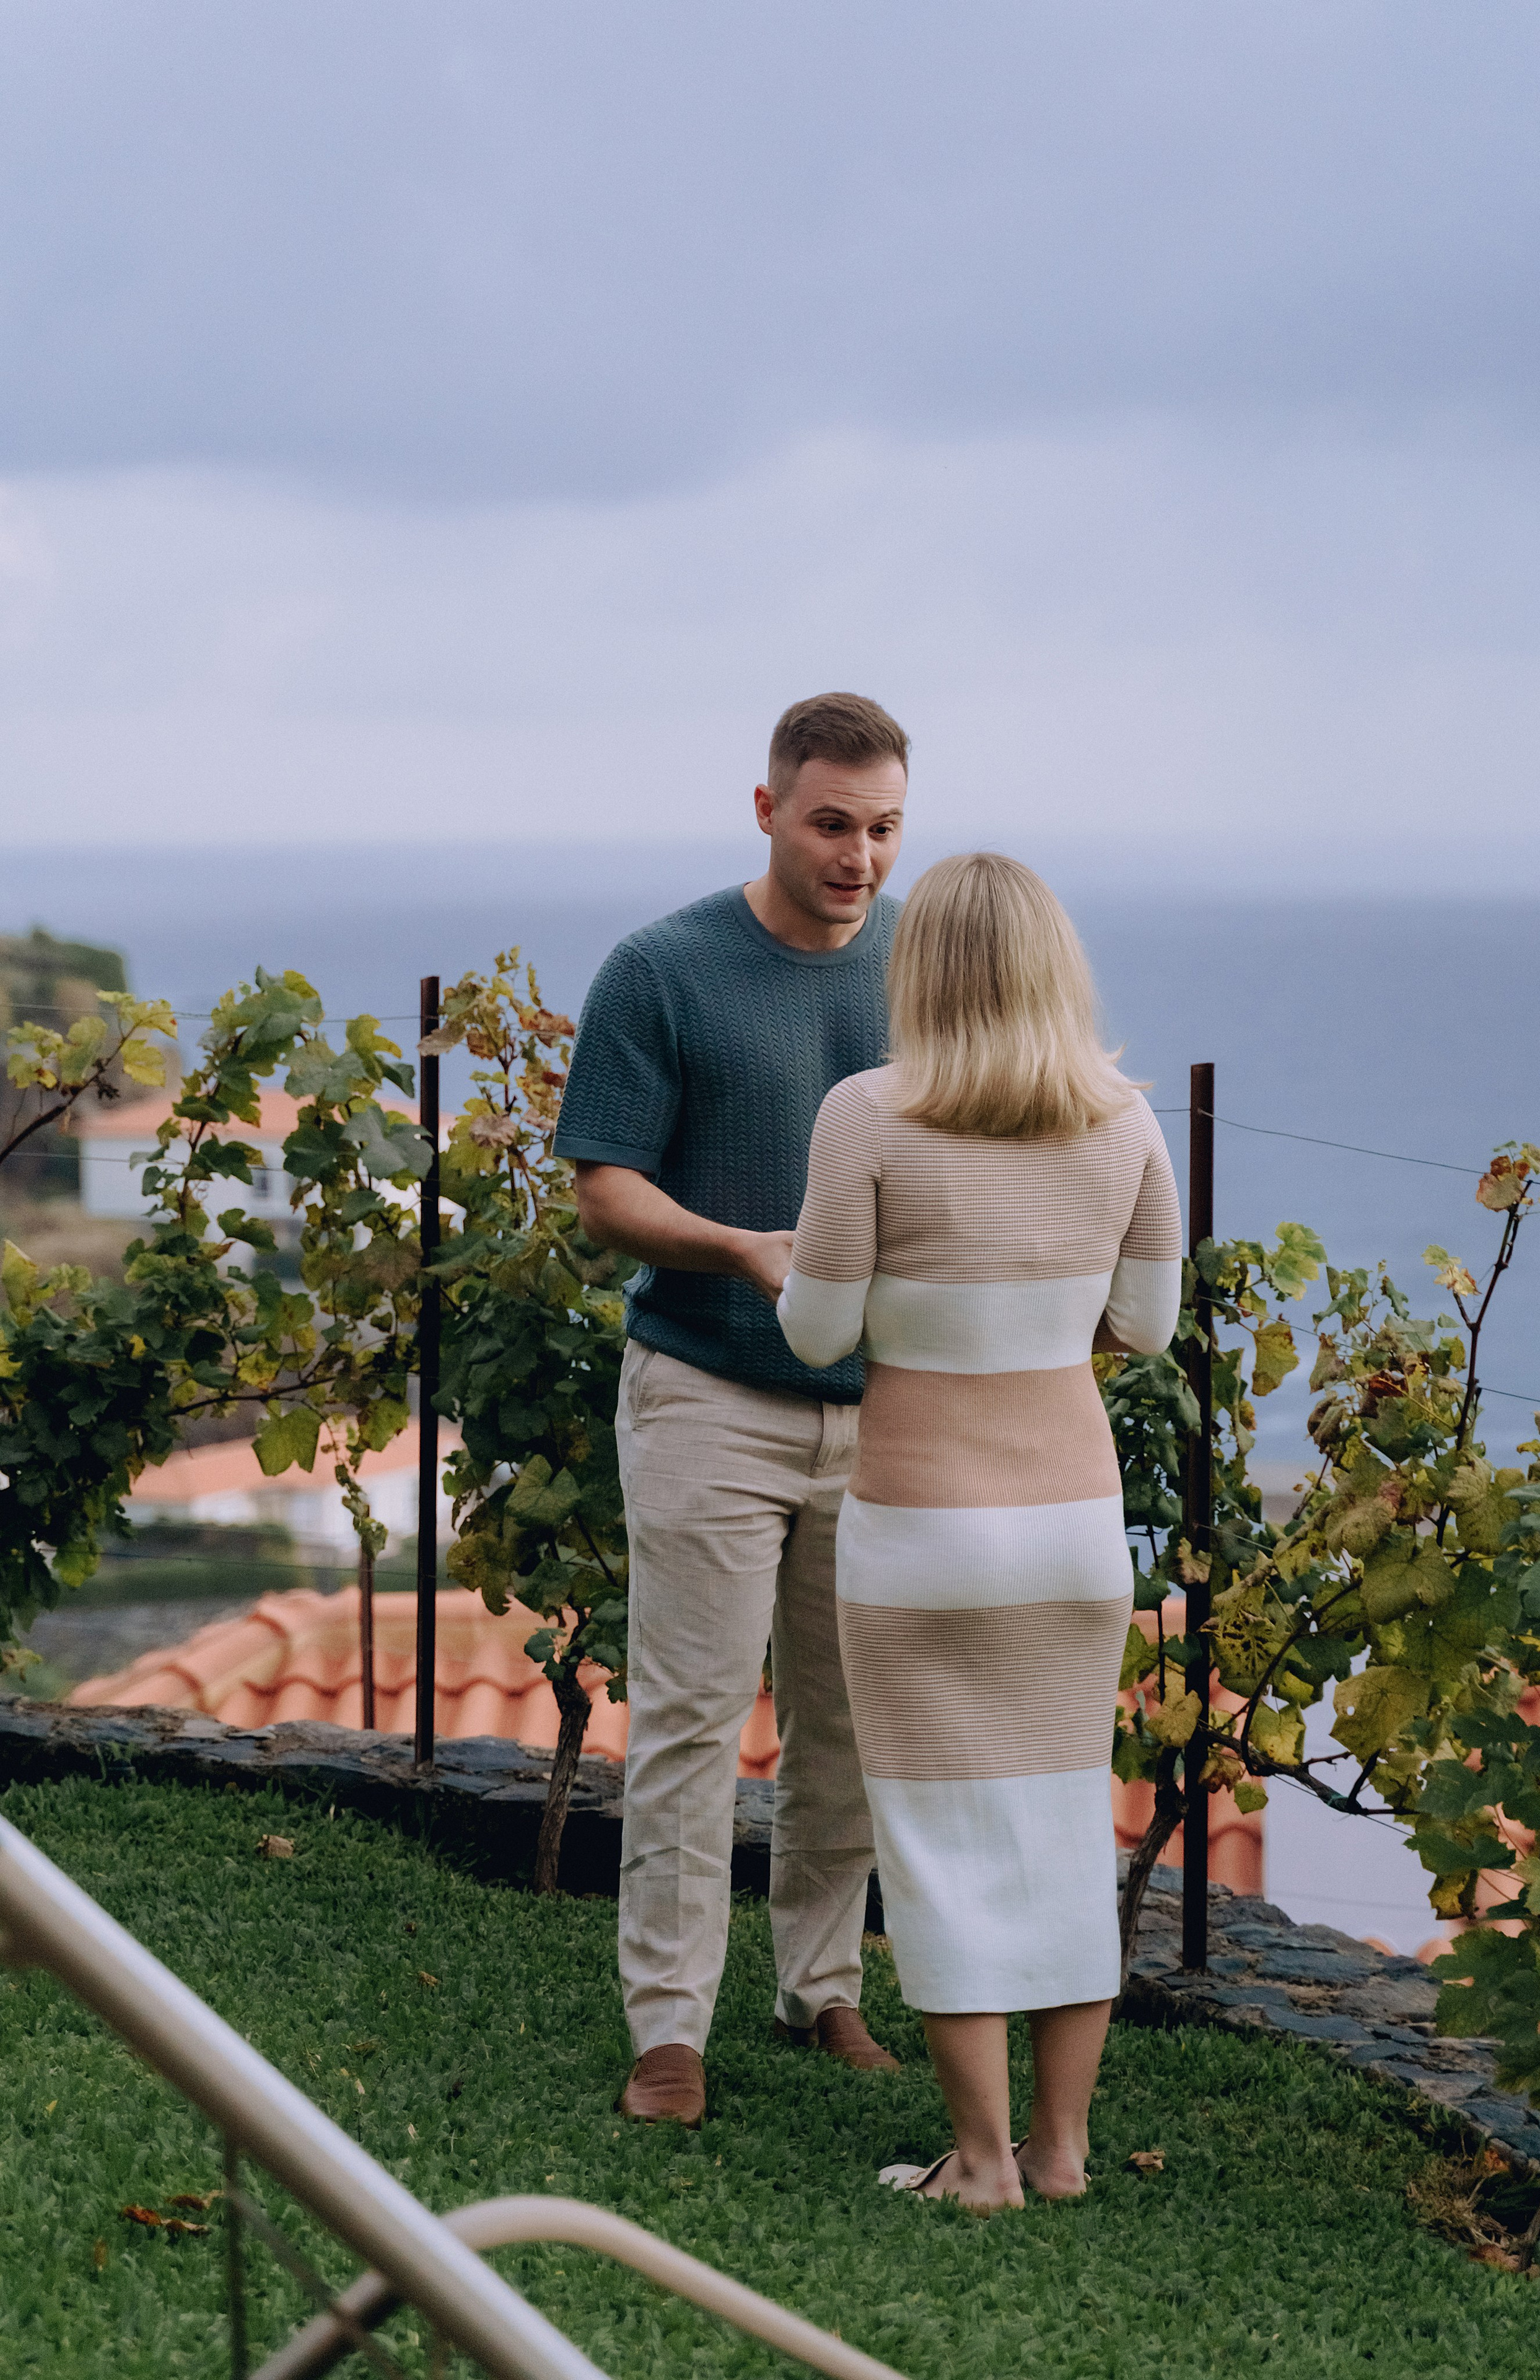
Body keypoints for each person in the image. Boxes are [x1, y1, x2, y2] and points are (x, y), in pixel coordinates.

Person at [776, 851, 1182, 2211]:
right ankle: (1062, 2154)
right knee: (1064, 1827)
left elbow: (819, 1331)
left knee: (938, 1843)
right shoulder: (1125, 1119)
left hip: (921, 1535)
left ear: (920, 967)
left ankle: (983, 2162)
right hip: (1073, 1532)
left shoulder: (867, 1116)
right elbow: (1149, 1324)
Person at [555, 692, 912, 2128]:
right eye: (832, 822)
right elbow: (604, 1188)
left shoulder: (919, 958)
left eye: (884, 827)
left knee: (850, 1727)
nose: (860, 856)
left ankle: (822, 1985)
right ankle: (667, 2029)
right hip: (705, 1389)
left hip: (880, 1406)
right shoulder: (660, 969)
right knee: (695, 1720)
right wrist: (743, 1249)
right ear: (765, 808)